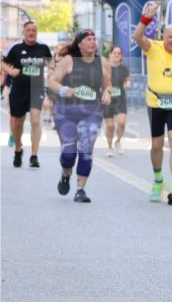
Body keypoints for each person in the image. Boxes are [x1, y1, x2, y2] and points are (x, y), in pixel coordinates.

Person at [133, 4, 172, 205]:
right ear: (164, 37)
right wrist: (145, 19)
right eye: (171, 37)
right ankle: (158, 179)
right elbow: (137, 37)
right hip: (156, 101)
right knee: (157, 145)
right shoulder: (153, 48)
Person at [47, 30, 112, 202]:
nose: (92, 42)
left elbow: (108, 83)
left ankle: (80, 189)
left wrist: (107, 92)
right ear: (80, 43)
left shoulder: (102, 62)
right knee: (68, 154)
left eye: (94, 39)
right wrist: (65, 90)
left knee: (86, 148)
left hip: (91, 111)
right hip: (66, 112)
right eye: (88, 39)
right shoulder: (69, 61)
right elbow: (52, 81)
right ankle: (65, 173)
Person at [2, 21, 52, 168]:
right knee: (18, 122)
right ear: (24, 32)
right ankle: (18, 150)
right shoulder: (16, 47)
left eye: (34, 30)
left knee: (36, 120)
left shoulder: (43, 48)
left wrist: (51, 74)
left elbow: (51, 65)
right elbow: (2, 62)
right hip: (18, 89)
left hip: (36, 88)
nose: (31, 33)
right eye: (29, 30)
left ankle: (34, 155)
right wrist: (10, 71)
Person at [102, 45, 131, 157]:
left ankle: (118, 141)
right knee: (110, 126)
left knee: (121, 123)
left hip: (120, 99)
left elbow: (128, 80)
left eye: (119, 53)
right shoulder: (104, 68)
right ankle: (109, 147)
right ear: (110, 54)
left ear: (121, 56)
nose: (116, 55)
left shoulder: (124, 68)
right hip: (107, 99)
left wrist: (127, 84)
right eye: (114, 53)